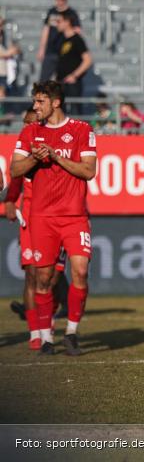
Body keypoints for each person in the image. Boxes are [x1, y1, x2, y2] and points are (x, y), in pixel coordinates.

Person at [10, 80, 97, 356]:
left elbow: (89, 171)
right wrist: (36, 158)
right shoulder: (30, 132)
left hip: (74, 216)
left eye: (40, 101)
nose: (35, 107)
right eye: (34, 101)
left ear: (55, 102)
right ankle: (46, 336)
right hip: (42, 218)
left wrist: (57, 158)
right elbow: (14, 170)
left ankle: (71, 331)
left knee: (80, 271)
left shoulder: (82, 130)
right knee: (43, 278)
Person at [4, 109, 70, 350]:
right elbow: (16, 175)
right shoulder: (24, 149)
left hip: (56, 215)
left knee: (52, 277)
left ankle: (47, 319)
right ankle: (36, 331)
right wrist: (10, 200)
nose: (26, 128)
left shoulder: (54, 144)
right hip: (30, 218)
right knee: (32, 274)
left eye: (29, 123)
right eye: (23, 123)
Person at [37, 0, 81, 82]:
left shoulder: (71, 13)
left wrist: (66, 27)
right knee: (43, 81)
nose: (60, 0)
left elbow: (78, 31)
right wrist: (42, 49)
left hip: (66, 54)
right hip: (51, 51)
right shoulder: (52, 12)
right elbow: (46, 30)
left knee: (63, 82)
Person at [55, 10, 92, 116]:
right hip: (61, 82)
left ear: (67, 22)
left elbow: (88, 60)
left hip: (72, 83)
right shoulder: (61, 39)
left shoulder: (77, 39)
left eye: (59, 21)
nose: (57, 24)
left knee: (75, 112)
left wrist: (74, 76)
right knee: (60, 113)